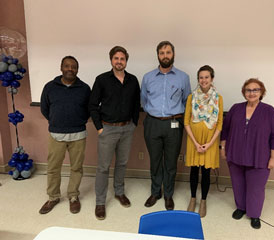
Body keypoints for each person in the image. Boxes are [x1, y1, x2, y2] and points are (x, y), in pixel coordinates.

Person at [220, 78, 274, 229]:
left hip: (259, 157)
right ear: (244, 92)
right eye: (248, 90)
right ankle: (241, 208)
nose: (252, 93)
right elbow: (226, 130)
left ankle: (254, 215)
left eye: (255, 90)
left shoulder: (269, 111)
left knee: (256, 188)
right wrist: (223, 148)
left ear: (261, 92)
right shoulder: (236, 108)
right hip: (235, 154)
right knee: (238, 183)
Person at [89, 46, 140, 220]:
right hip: (107, 129)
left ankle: (119, 192)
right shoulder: (102, 80)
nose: (119, 61)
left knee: (122, 163)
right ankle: (100, 202)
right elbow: (93, 105)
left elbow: (136, 103)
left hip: (127, 128)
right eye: (116, 58)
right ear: (111, 60)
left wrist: (133, 124)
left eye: (122, 58)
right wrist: (99, 127)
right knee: (103, 167)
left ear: (126, 60)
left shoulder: (133, 80)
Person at [141, 41, 191, 210]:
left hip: (174, 124)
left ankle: (168, 194)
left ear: (173, 55)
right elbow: (144, 100)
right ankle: (155, 192)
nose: (165, 56)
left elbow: (187, 101)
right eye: (162, 53)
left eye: (168, 52)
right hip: (152, 123)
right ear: (158, 56)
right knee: (155, 161)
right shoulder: (148, 77)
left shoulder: (183, 77)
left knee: (170, 162)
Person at [39, 56, 91, 214]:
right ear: (61, 68)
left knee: (76, 168)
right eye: (67, 66)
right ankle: (53, 197)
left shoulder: (84, 88)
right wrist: (56, 122)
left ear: (77, 69)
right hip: (56, 134)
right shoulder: (50, 87)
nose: (70, 69)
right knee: (53, 168)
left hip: (78, 134)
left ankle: (73, 196)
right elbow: (44, 109)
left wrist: (79, 121)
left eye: (73, 66)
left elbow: (90, 109)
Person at [184, 65, 223, 218]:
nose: (203, 80)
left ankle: (204, 200)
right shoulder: (191, 97)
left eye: (207, 77)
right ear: (198, 79)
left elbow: (219, 124)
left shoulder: (218, 98)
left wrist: (210, 143)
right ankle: (193, 198)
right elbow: (186, 121)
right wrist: (195, 142)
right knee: (194, 171)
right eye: (201, 77)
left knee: (206, 173)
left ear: (211, 78)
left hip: (210, 142)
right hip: (193, 141)